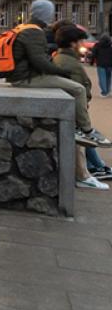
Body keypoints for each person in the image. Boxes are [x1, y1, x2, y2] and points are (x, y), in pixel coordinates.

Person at [6, 0, 112, 149]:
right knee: (78, 89)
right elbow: (40, 62)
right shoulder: (34, 32)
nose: (52, 17)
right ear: (45, 14)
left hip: (21, 75)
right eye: (50, 13)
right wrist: (62, 71)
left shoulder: (25, 27)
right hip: (25, 78)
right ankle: (87, 130)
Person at [51, 22, 112, 189]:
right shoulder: (69, 63)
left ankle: (90, 170)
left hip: (73, 110)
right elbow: (78, 89)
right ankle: (84, 176)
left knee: (81, 142)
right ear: (73, 43)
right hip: (74, 112)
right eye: (81, 41)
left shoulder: (63, 58)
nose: (84, 45)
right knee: (81, 141)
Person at [93, 33, 112, 97]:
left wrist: (91, 62)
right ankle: (108, 90)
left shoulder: (97, 45)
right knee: (108, 78)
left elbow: (94, 54)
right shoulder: (110, 45)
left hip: (100, 64)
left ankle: (104, 92)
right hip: (110, 64)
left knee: (102, 78)